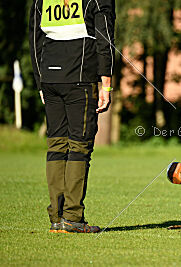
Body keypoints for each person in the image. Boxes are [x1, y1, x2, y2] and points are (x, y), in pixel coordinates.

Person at [29, 0, 115, 233]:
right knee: (79, 145)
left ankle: (57, 218)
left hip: (49, 77)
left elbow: (35, 39)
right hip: (79, 77)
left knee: (56, 145)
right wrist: (106, 83)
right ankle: (73, 217)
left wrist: (40, 81)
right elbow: (104, 37)